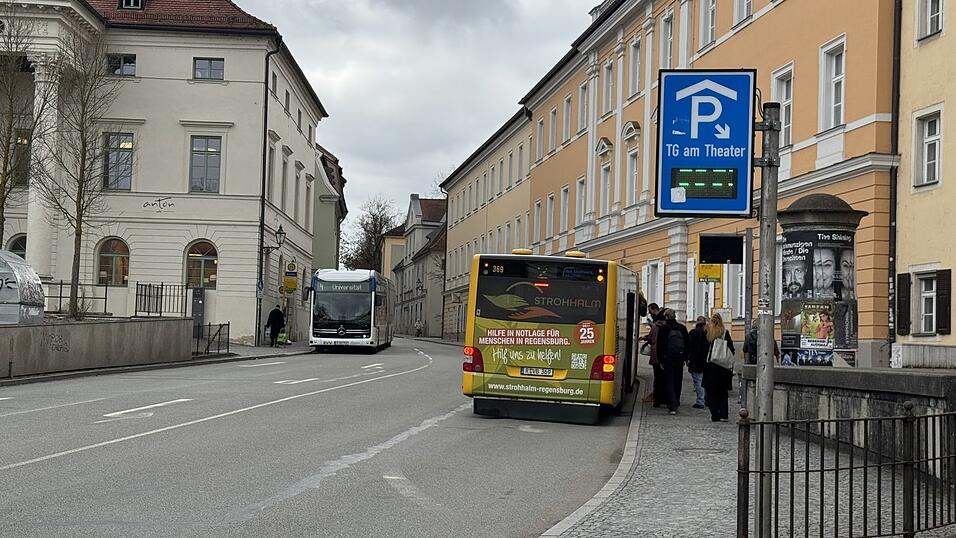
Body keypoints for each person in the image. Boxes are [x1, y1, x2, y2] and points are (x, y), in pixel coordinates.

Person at [702, 312, 735, 422]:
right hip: (723, 367)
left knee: (711, 392)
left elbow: (703, 350)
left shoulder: (707, 333)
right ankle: (724, 415)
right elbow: (731, 350)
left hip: (710, 366)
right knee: (722, 392)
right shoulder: (725, 333)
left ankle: (715, 414)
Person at [655, 308, 689, 415]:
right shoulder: (682, 328)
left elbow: (659, 345)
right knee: (678, 380)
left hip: (667, 358)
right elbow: (688, 343)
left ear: (665, 317)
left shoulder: (663, 328)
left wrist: (660, 360)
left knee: (669, 381)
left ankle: (672, 405)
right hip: (679, 358)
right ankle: (677, 401)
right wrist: (685, 358)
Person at [642, 303, 667, 407]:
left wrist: (646, 337)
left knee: (658, 378)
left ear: (654, 309)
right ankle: (664, 398)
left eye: (650, 310)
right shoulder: (667, 326)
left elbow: (652, 338)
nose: (649, 313)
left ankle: (657, 399)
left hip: (657, 355)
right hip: (665, 355)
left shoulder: (657, 325)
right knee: (664, 378)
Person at [686, 316, 709, 409]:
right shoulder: (709, 332)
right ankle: (706, 400)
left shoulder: (692, 332)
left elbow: (688, 346)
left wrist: (688, 358)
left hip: (695, 360)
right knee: (706, 381)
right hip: (707, 360)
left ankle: (700, 401)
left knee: (698, 381)